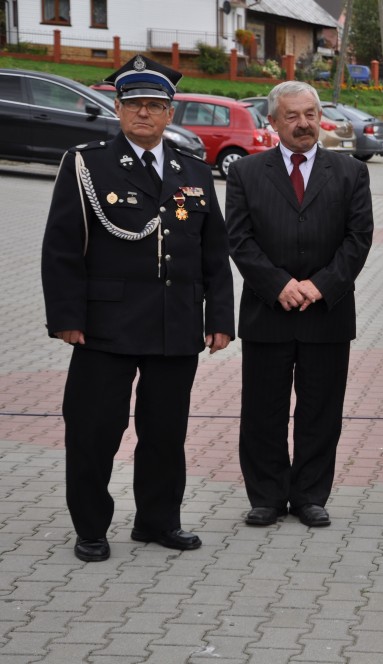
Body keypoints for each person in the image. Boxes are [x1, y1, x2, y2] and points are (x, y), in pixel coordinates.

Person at [40, 55, 235, 562]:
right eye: (134, 106)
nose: (144, 114)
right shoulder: (88, 163)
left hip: (176, 323)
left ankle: (157, 520)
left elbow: (214, 252)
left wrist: (219, 320)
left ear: (170, 113)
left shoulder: (192, 169)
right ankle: (91, 527)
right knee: (94, 431)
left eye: (155, 106)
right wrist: (66, 317)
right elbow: (62, 246)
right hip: (106, 326)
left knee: (165, 432)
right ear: (119, 109)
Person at [226, 81, 373, 529]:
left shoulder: (349, 173)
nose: (304, 123)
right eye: (292, 115)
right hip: (266, 312)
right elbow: (239, 238)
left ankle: (310, 495)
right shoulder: (246, 173)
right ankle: (267, 496)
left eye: (310, 114)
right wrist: (279, 284)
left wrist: (319, 286)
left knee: (321, 411)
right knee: (262, 411)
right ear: (272, 122)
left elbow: (358, 239)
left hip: (326, 313)